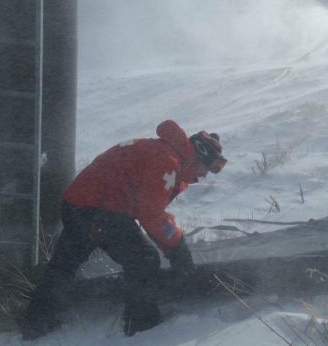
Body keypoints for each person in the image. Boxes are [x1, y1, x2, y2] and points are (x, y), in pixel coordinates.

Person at [22, 120, 226, 339]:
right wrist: (178, 250)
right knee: (144, 259)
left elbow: (144, 206)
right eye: (206, 168)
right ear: (197, 156)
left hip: (79, 205)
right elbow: (151, 213)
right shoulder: (166, 161)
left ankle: (37, 321)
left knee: (64, 265)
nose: (203, 176)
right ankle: (142, 326)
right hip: (98, 211)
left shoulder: (164, 152)